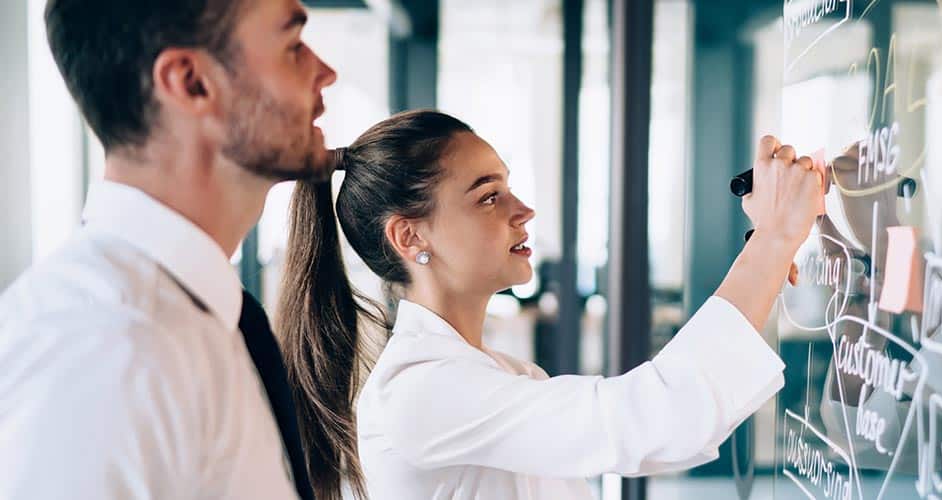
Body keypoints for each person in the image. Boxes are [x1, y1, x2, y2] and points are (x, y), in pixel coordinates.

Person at [278, 109, 825, 499]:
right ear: (410, 237)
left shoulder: (496, 374)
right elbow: (653, 419)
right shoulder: (421, 391)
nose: (524, 211)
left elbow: (660, 436)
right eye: (489, 196)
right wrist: (774, 242)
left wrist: (769, 255)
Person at [0, 1, 339, 499]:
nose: (325, 73)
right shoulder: (107, 347)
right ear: (192, 83)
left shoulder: (195, 319)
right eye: (292, 47)